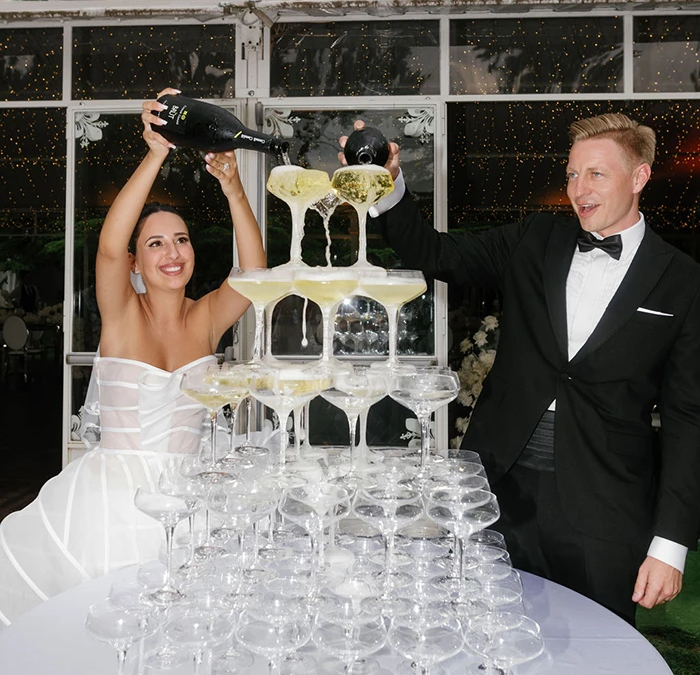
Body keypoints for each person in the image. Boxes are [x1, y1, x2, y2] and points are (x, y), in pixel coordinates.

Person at [346, 113, 700, 624]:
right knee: (483, 637)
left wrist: (670, 545)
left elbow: (689, 420)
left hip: (607, 509)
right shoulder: (535, 238)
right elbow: (434, 252)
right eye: (572, 174)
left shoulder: (683, 281)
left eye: (596, 174)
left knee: (597, 652)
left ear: (639, 177)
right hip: (497, 491)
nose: (579, 189)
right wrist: (388, 181)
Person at [0, 89, 266, 625]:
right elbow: (107, 247)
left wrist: (234, 189)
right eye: (155, 244)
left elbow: (256, 275)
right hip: (109, 508)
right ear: (136, 264)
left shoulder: (207, 318)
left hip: (191, 503)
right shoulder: (121, 313)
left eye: (181, 240)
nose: (173, 253)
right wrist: (156, 153)